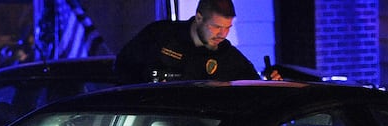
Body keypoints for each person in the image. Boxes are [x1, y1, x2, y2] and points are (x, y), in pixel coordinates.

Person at [114, 0, 281, 84]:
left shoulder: (228, 56)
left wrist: (270, 82)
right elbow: (123, 67)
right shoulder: (160, 35)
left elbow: (253, 86)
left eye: (228, 27)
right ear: (199, 17)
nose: (223, 34)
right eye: (216, 27)